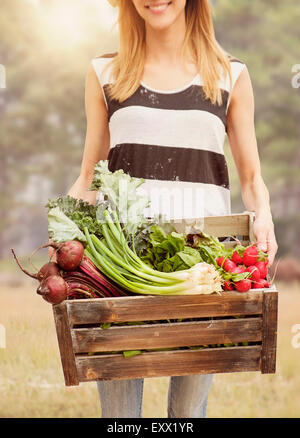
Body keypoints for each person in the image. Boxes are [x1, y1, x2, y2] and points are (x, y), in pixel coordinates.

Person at [66, 0, 278, 418]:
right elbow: (90, 173)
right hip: (124, 266)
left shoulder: (230, 74)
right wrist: (63, 232)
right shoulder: (105, 73)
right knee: (120, 418)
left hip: (203, 267)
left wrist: (265, 215)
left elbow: (252, 178)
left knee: (187, 416)